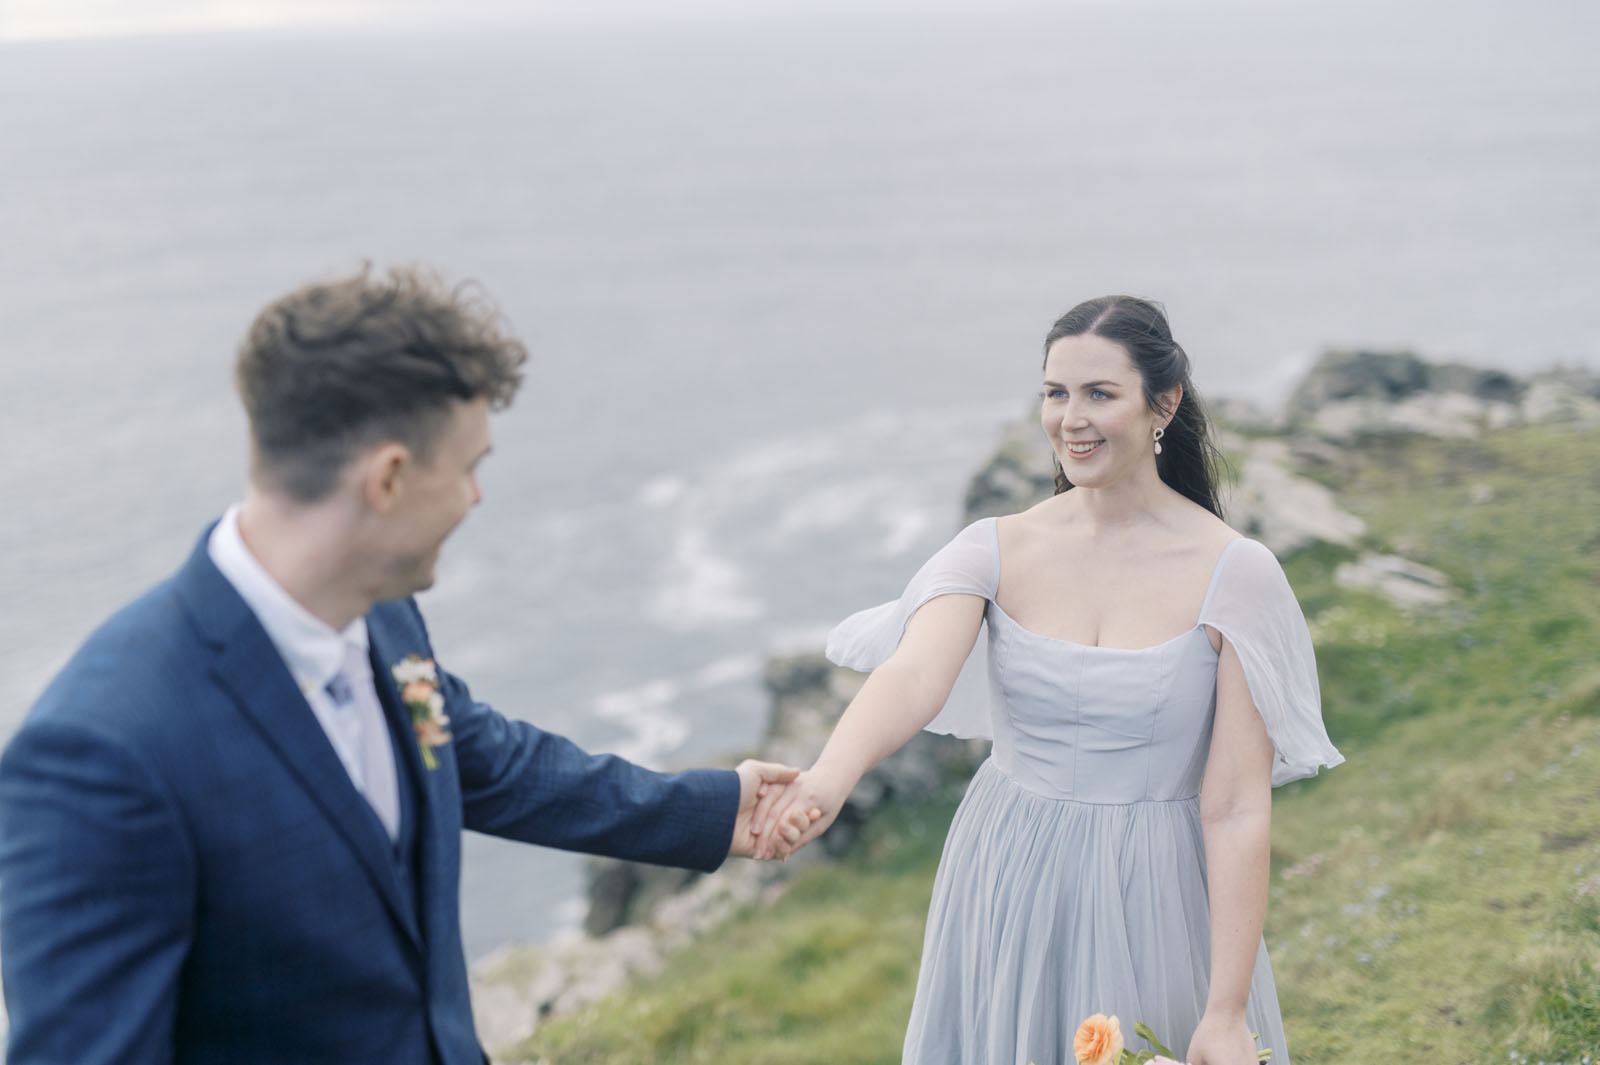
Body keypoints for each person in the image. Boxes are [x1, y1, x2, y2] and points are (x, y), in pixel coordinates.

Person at [0, 265, 807, 1065]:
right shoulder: (103, 753)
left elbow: (485, 760)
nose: (476, 497)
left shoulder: (381, 612)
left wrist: (711, 810)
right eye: (469, 468)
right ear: (388, 478)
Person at [752, 296, 1343, 1065]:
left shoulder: (1238, 574)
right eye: (1055, 393)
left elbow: (1234, 806)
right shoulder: (994, 548)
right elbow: (915, 672)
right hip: (1007, 866)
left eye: (1100, 393)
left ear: (1163, 404)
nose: (1072, 418)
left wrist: (1227, 1010)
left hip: (1156, 890)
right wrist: (827, 780)